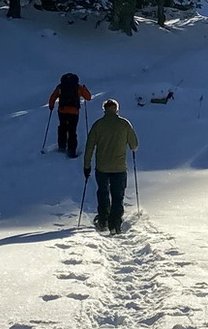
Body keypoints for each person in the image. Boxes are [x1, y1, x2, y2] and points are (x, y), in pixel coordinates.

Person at [83, 99, 139, 232]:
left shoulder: (98, 125)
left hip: (102, 167)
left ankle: (103, 221)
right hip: (119, 167)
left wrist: (87, 165)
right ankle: (115, 223)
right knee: (118, 195)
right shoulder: (124, 124)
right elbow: (134, 145)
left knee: (103, 192)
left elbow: (89, 146)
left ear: (105, 109)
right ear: (117, 109)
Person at [47, 73, 92, 157]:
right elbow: (88, 97)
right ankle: (72, 151)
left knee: (62, 128)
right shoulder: (78, 87)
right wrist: (86, 89)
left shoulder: (60, 86)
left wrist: (51, 106)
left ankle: (62, 147)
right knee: (72, 130)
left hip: (62, 111)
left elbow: (53, 97)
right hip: (74, 112)